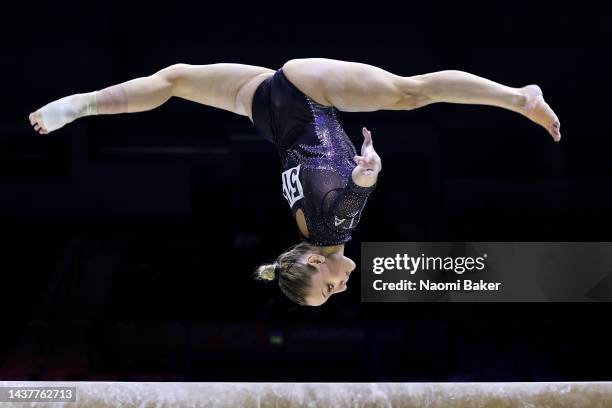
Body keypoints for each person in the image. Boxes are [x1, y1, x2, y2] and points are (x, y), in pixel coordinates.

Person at [28, 57, 561, 306]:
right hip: (268, 110)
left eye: (328, 286)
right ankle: (82, 104)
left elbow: (353, 196)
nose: (342, 285)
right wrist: (359, 174)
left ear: (311, 259)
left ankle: (520, 96)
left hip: (310, 97)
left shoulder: (332, 228)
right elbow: (339, 189)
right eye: (333, 293)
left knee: (411, 92)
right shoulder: (311, 225)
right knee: (173, 81)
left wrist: (368, 173)